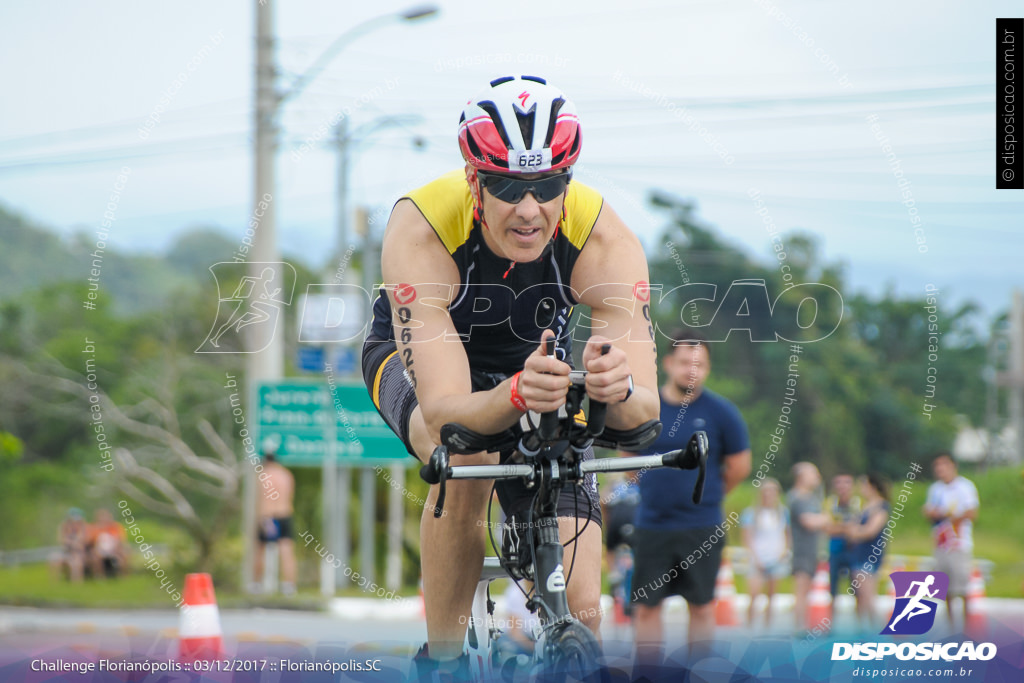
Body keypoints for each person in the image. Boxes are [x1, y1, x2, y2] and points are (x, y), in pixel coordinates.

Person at [361, 75, 660, 678]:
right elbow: (446, 412)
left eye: (548, 186)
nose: (529, 210)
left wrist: (614, 389)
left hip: (538, 365)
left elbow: (642, 418)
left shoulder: (604, 237)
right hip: (425, 365)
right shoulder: (421, 227)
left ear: (567, 181)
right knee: (463, 461)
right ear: (474, 180)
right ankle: (442, 660)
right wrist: (513, 394)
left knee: (582, 610)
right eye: (506, 188)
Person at [627, 330, 751, 664]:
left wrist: (707, 494)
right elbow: (627, 460)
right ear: (668, 363)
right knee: (647, 608)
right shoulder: (646, 408)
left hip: (702, 527)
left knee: (701, 607)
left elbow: (739, 465)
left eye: (699, 364)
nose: (691, 370)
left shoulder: (722, 412)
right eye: (684, 362)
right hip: (652, 526)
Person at [923, 453, 979, 628]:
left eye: (944, 465)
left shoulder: (965, 487)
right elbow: (928, 511)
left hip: (958, 542)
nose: (940, 469)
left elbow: (971, 513)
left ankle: (967, 626)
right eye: (937, 466)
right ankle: (951, 625)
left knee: (961, 586)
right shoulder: (935, 489)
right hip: (941, 543)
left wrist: (948, 515)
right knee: (945, 587)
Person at [740, 477, 789, 629]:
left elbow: (787, 535)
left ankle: (768, 626)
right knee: (753, 594)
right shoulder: (751, 513)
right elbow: (747, 537)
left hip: (776, 557)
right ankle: (749, 625)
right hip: (758, 558)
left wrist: (784, 551)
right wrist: (755, 557)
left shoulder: (782, 513)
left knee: (771, 595)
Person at [787, 462, 830, 634]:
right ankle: (800, 627)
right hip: (802, 551)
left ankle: (805, 624)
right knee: (801, 589)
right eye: (814, 474)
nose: (817, 478)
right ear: (802, 476)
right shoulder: (797, 497)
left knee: (808, 589)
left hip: (813, 550)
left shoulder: (812, 498)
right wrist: (827, 518)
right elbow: (809, 522)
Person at [845, 473, 891, 627]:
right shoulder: (864, 506)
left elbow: (871, 530)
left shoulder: (881, 507)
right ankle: (862, 629)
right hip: (857, 553)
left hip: (869, 555)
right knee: (859, 597)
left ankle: (876, 630)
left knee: (868, 596)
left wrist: (855, 532)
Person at [252, 450, 297, 596]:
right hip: (285, 514)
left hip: (269, 516)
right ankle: (289, 586)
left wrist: (263, 519)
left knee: (260, 550)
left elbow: (264, 500)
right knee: (287, 551)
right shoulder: (286, 475)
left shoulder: (264, 475)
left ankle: (256, 584)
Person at [824, 473, 861, 606]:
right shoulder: (830, 503)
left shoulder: (858, 503)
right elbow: (828, 528)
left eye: (846, 483)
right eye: (839, 483)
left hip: (854, 550)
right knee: (833, 590)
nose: (842, 487)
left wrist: (838, 527)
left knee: (858, 590)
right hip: (835, 550)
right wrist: (847, 528)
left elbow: (858, 527)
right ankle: (830, 623)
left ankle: (860, 624)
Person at [51, 508, 88, 582]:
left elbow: (81, 544)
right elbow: (62, 541)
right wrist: (71, 542)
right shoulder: (64, 527)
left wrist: (72, 542)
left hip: (78, 553)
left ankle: (77, 583)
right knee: (54, 560)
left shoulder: (83, 528)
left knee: (76, 563)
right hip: (67, 552)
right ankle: (54, 583)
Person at [87, 508, 126, 579]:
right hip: (98, 550)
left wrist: (116, 550)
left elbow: (119, 540)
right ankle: (99, 576)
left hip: (113, 549)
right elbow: (90, 542)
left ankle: (122, 575)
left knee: (123, 555)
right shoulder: (94, 527)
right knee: (95, 557)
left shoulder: (115, 527)